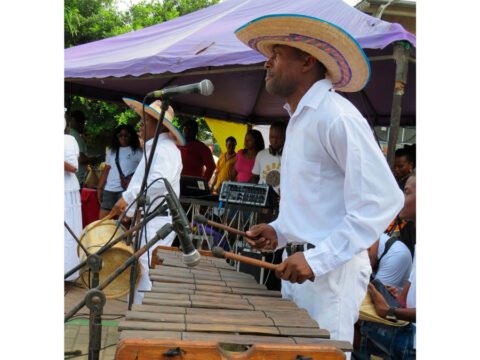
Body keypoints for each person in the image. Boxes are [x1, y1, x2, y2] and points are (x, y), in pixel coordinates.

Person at [236, 14, 404, 352]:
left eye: (277, 54)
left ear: (306, 60)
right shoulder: (299, 120)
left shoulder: (336, 116)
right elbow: (314, 204)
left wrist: (318, 259)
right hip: (299, 271)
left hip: (331, 277)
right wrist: (279, 231)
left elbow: (383, 199)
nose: (267, 62)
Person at [110, 98, 185, 304]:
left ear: (159, 124)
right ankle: (137, 316)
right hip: (150, 219)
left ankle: (143, 320)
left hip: (157, 221)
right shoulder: (156, 148)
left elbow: (157, 183)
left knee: (146, 269)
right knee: (141, 268)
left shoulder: (165, 150)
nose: (140, 125)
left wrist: (127, 199)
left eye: (146, 121)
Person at [358, 173, 416, 359]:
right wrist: (394, 298)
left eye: (407, 192)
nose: (401, 198)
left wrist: (389, 310)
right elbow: (407, 297)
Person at [97, 124, 143, 219]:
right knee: (103, 220)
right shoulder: (111, 151)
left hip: (126, 191)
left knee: (122, 223)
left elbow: (143, 170)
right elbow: (106, 169)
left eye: (126, 135)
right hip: (109, 189)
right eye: (120, 135)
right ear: (116, 137)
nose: (123, 138)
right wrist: (99, 188)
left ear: (132, 136)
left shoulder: (138, 152)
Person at [64, 116, 82, 283]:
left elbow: (73, 167)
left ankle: (65, 272)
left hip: (65, 191)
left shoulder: (68, 140)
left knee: (65, 232)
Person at [249, 120, 286, 194]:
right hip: (262, 197)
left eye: (278, 138)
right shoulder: (261, 154)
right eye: (271, 137)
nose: (274, 141)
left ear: (286, 137)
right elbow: (255, 177)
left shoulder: (291, 156)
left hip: (282, 200)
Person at [68, 110, 97, 186]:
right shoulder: (75, 136)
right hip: (76, 179)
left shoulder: (66, 133)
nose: (83, 125)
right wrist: (94, 159)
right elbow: (81, 159)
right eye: (82, 123)